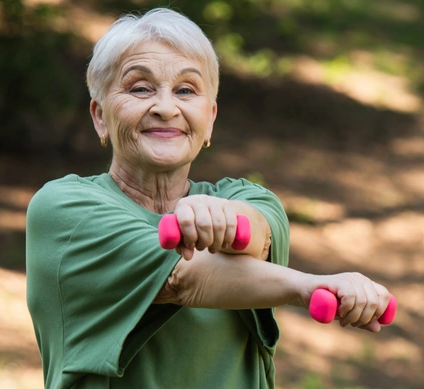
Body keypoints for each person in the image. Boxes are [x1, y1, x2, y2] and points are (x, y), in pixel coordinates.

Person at [26, 8, 392, 389]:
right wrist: (311, 287)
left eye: (186, 90)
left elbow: (259, 235)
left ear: (210, 118)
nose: (166, 108)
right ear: (100, 116)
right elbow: (183, 278)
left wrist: (228, 220)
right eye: (140, 88)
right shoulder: (64, 210)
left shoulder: (247, 196)